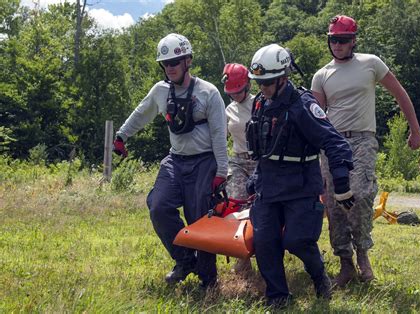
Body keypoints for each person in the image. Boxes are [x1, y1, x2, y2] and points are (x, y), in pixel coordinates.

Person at [311, 15, 420, 287]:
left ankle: (362, 253)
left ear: (353, 41)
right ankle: (345, 263)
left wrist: (415, 130)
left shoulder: (370, 63)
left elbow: (400, 94)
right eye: (333, 39)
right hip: (332, 144)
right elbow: (316, 118)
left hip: (362, 140)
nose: (337, 45)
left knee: (360, 195)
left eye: (342, 40)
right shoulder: (322, 75)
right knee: (335, 202)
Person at [113, 33, 228, 288]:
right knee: (158, 205)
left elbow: (220, 135)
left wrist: (221, 171)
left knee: (200, 218)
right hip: (175, 161)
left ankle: (208, 280)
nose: (170, 68)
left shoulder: (208, 92)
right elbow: (141, 114)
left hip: (205, 161)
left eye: (174, 62)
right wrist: (122, 135)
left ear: (188, 61)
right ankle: (185, 259)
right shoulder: (160, 91)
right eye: (165, 64)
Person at [246, 43, 355, 307]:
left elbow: (335, 143)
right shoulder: (260, 103)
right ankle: (278, 297)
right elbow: (264, 147)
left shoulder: (303, 105)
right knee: (265, 241)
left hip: (301, 186)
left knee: (297, 241)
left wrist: (341, 184)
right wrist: (254, 181)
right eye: (258, 82)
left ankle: (320, 277)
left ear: (283, 77)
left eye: (267, 82)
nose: (262, 88)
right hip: (268, 185)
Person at [221, 63, 257, 273]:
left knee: (260, 208)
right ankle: (242, 261)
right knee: (237, 206)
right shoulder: (228, 110)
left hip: (260, 162)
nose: (235, 96)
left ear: (248, 85)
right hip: (238, 161)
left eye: (238, 91)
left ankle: (264, 250)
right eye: (231, 93)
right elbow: (220, 137)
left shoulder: (260, 104)